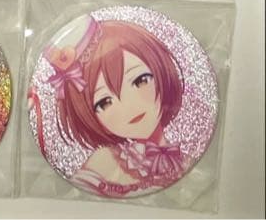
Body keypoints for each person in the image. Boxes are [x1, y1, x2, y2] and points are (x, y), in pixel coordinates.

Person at [44, 18, 186, 197]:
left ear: (160, 69)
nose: (128, 105)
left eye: (140, 80)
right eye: (105, 102)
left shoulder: (188, 162)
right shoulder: (104, 164)